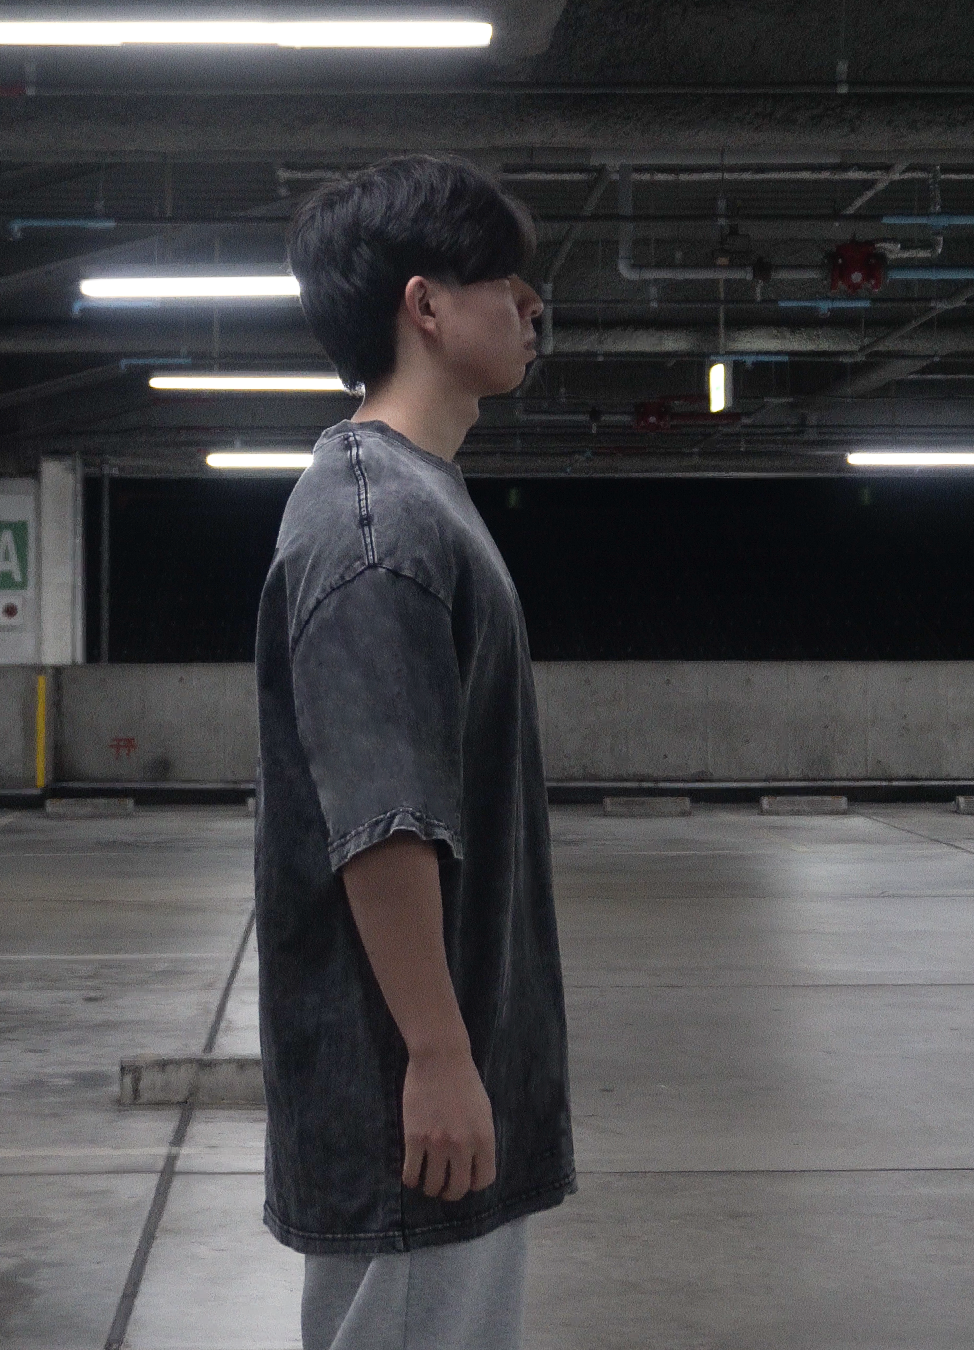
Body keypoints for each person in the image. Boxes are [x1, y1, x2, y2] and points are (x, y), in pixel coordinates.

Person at [254, 154, 576, 1350]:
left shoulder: (414, 498)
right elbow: (382, 819)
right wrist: (438, 1056)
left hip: (440, 1076)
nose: (531, 306)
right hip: (404, 1095)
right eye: (504, 280)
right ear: (425, 305)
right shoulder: (377, 521)